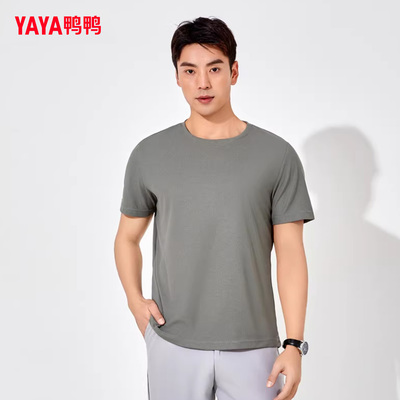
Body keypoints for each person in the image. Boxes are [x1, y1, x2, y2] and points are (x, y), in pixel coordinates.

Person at [114, 16, 315, 400]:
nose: (202, 83)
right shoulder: (150, 154)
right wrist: (134, 301)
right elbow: (126, 238)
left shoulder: (276, 156)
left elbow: (290, 253)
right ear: (177, 76)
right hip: (172, 342)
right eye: (190, 70)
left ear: (234, 72)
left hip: (253, 347)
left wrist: (293, 343)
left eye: (215, 69)